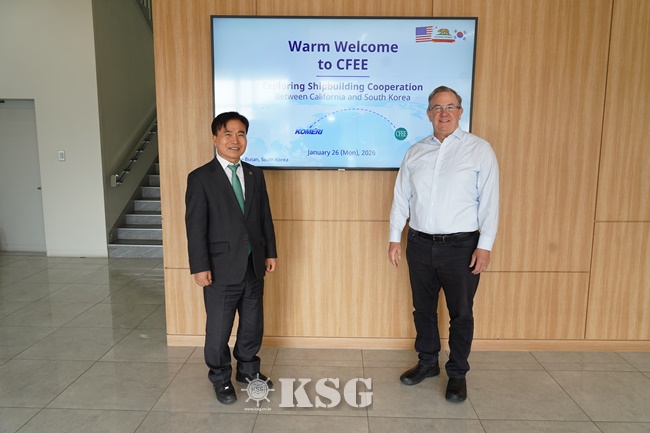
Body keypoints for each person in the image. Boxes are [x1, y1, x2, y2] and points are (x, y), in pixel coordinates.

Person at [388, 86, 499, 402]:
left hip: (462, 248)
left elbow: (490, 201)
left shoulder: (479, 150)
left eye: (450, 107)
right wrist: (395, 238)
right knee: (422, 309)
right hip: (419, 244)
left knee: (461, 313)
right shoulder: (415, 152)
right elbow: (401, 198)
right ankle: (427, 363)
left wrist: (485, 245)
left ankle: (458, 374)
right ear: (428, 114)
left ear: (460, 112)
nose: (444, 113)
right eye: (437, 107)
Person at [185, 111, 277, 405]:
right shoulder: (201, 178)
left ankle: (247, 370)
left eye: (241, 134)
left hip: (253, 264)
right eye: (228, 134)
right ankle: (221, 377)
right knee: (219, 329)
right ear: (215, 139)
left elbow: (264, 217)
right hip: (220, 268)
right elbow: (195, 227)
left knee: (252, 324)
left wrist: (270, 252)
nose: (235, 140)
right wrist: (200, 266)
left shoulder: (254, 174)